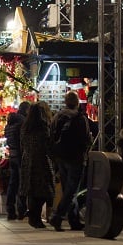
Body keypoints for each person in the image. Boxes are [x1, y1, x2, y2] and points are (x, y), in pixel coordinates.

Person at [48, 91, 91, 231]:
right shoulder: (79, 117)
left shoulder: (57, 116)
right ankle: (57, 216)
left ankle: (74, 220)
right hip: (76, 158)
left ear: (65, 102)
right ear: (77, 103)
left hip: (61, 157)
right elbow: (86, 138)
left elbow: (51, 136)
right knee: (72, 190)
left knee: (68, 189)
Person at [19, 101, 55, 229]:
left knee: (32, 190)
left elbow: (22, 144)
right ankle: (35, 216)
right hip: (41, 161)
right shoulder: (43, 127)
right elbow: (48, 146)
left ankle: (33, 216)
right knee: (45, 191)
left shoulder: (25, 127)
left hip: (28, 161)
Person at [5, 101, 30, 221]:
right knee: (22, 182)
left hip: (12, 155)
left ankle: (10, 209)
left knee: (12, 183)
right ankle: (21, 209)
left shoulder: (9, 123)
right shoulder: (22, 122)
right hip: (20, 155)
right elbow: (24, 140)